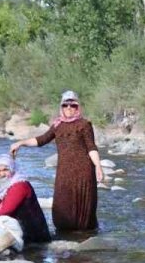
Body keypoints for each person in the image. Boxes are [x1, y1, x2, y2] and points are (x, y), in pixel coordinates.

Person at [8, 91, 103, 232]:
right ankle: (65, 232)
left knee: (83, 204)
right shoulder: (57, 125)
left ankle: (85, 233)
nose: (69, 108)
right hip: (64, 172)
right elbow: (41, 140)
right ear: (61, 107)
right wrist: (20, 143)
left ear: (77, 107)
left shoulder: (84, 124)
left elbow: (91, 147)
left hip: (83, 172)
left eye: (73, 105)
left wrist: (98, 166)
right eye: (65, 105)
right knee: (63, 202)